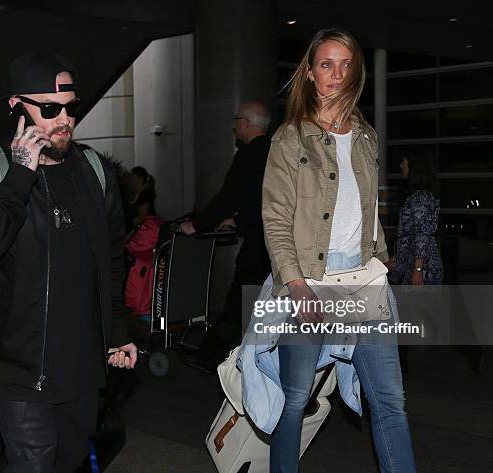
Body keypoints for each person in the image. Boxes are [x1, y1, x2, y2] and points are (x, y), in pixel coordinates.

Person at [0, 52, 137, 473]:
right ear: (16, 107)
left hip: (83, 366)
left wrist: (118, 331)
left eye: (71, 107)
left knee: (69, 461)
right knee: (33, 461)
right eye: (50, 109)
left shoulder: (95, 171)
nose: (64, 119)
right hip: (17, 366)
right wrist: (19, 176)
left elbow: (110, 258)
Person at [254, 28, 417, 472]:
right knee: (294, 398)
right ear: (310, 73)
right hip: (310, 277)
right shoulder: (291, 139)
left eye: (346, 65)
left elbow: (368, 208)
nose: (337, 74)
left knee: (390, 400)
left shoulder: (366, 137)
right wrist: (295, 284)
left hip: (363, 282)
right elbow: (276, 219)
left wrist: (382, 255)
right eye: (326, 64)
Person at [180, 101, 272, 373]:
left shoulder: (248, 154)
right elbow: (265, 198)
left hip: (259, 242)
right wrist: (240, 219)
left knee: (239, 299)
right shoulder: (277, 152)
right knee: (263, 301)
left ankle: (212, 357)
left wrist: (197, 225)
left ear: (245, 122)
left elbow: (228, 196)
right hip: (279, 241)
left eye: (236, 121)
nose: (234, 126)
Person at [390, 157, 443, 286]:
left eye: (404, 163)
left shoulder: (420, 198)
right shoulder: (418, 196)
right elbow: (411, 236)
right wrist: (398, 258)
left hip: (423, 268)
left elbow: (421, 234)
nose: (401, 165)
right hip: (416, 264)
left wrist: (418, 270)